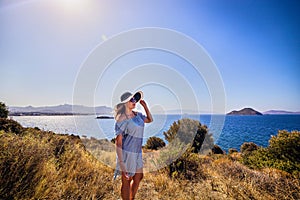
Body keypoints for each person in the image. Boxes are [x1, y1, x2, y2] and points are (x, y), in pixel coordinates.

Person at [113, 91, 153, 200]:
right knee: (127, 180)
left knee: (139, 177)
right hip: (127, 153)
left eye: (135, 99)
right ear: (125, 103)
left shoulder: (137, 115)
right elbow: (119, 142)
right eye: (131, 100)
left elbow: (150, 119)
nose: (134, 101)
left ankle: (132, 198)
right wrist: (121, 163)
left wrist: (145, 106)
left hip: (138, 152)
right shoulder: (122, 119)